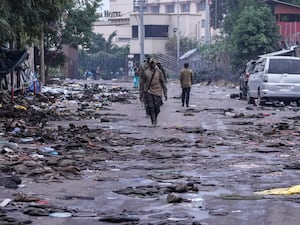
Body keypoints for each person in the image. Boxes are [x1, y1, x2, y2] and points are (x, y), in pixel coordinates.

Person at [140, 58, 167, 126]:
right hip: (149, 91)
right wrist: (141, 94)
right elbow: (142, 83)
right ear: (149, 64)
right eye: (151, 63)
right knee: (151, 107)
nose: (152, 64)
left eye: (153, 63)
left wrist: (165, 93)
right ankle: (153, 121)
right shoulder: (146, 72)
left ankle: (155, 117)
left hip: (158, 91)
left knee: (157, 108)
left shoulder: (159, 72)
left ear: (155, 64)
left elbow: (162, 82)